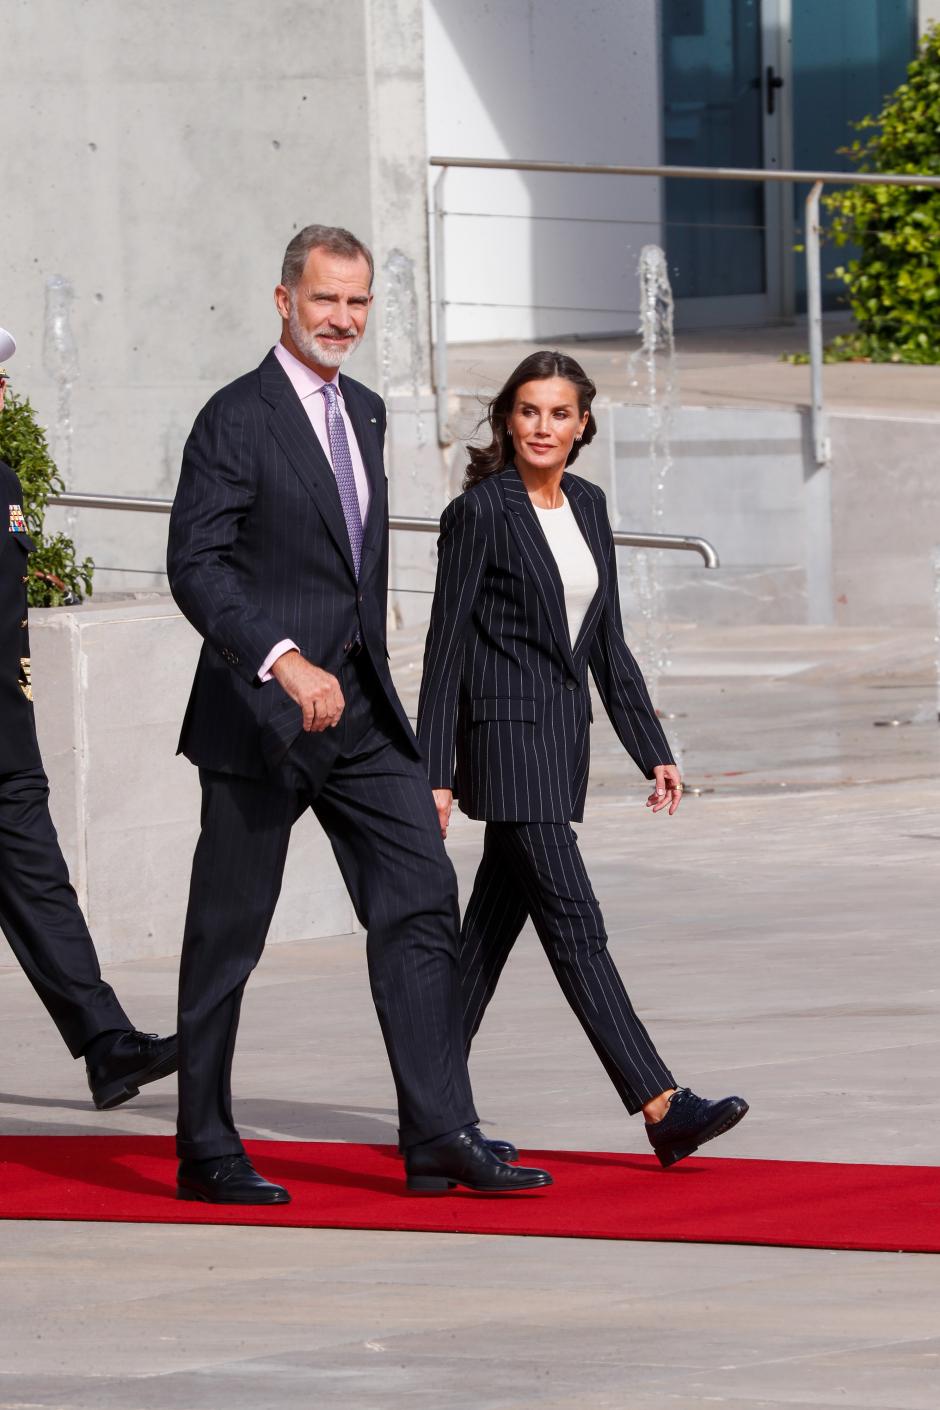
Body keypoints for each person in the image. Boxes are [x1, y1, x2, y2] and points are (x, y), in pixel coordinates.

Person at [166, 226, 552, 1204]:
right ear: (283, 299)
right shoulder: (234, 419)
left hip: (364, 711)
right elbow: (195, 565)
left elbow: (355, 574)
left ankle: (437, 1132)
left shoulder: (370, 413)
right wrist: (281, 660)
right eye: (325, 299)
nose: (343, 318)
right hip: (263, 718)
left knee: (422, 897)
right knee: (229, 934)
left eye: (358, 303)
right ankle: (206, 1146)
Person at [417, 350, 748, 1169]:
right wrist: (434, 770)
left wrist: (651, 748)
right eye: (528, 411)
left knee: (485, 939)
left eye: (558, 413)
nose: (542, 427)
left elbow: (607, 641)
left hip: (558, 745)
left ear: (583, 424)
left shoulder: (590, 505)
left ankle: (427, 1110)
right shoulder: (481, 512)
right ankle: (661, 1103)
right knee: (576, 927)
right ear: (507, 419)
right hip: (504, 741)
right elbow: (444, 648)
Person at [0, 326, 177, 1109]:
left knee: (42, 889)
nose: (2, 391)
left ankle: (107, 1045)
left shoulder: (4, 481)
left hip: (6, 732)